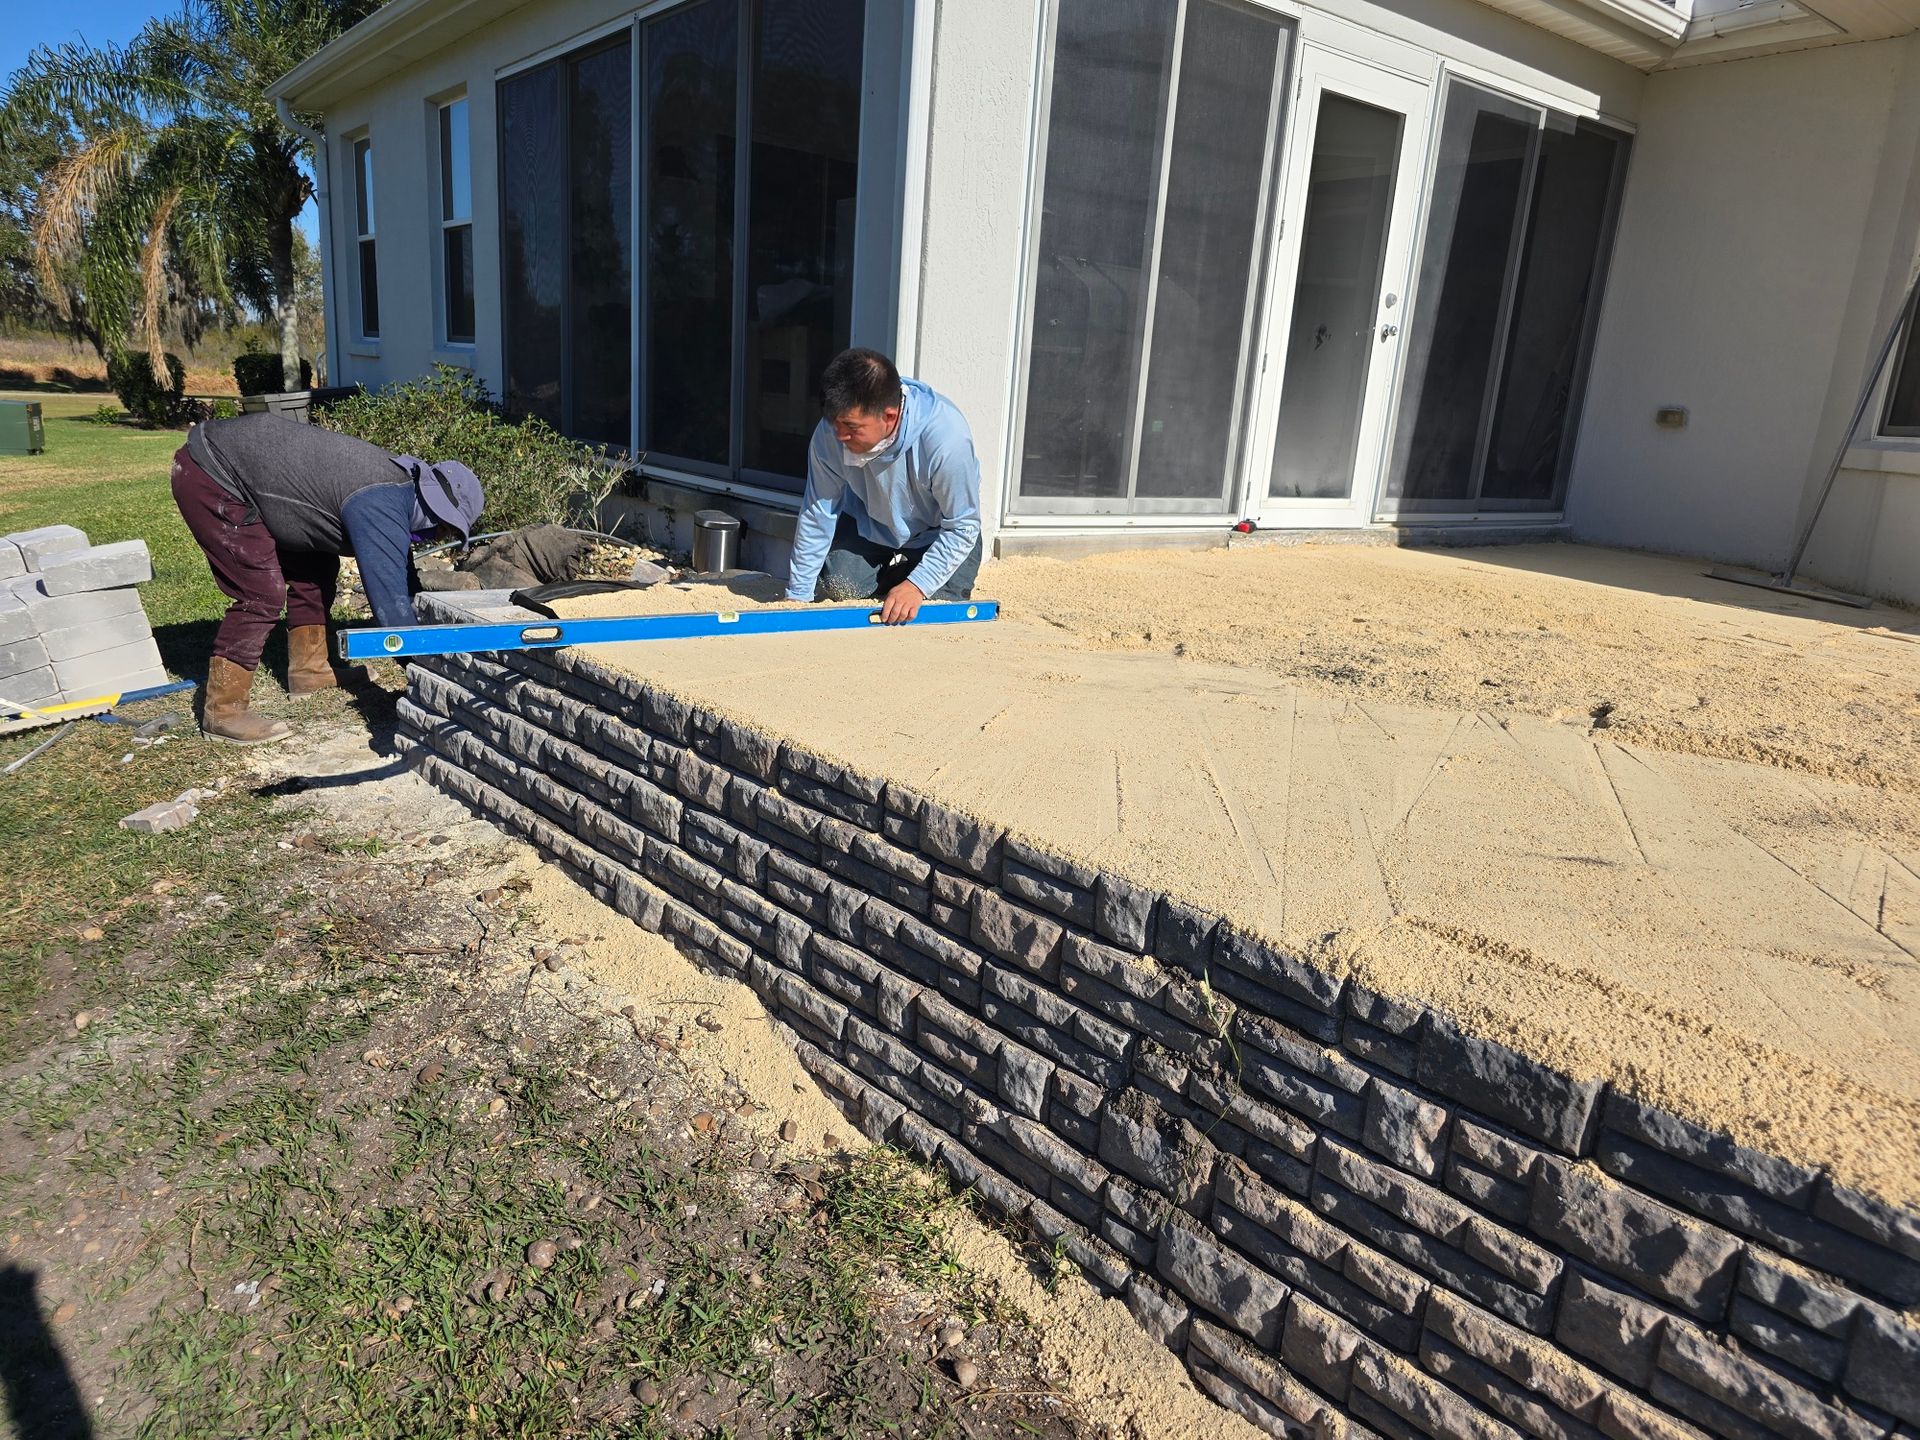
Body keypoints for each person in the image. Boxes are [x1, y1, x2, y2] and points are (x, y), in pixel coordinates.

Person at [171, 412, 484, 745]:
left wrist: (427, 627)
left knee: (316, 568)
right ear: (436, 511)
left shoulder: (401, 494)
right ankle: (223, 712)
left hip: (254, 475)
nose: (441, 537)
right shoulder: (381, 501)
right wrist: (426, 674)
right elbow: (391, 609)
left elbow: (403, 580)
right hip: (214, 472)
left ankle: (310, 671)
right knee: (260, 592)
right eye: (447, 529)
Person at [785, 349, 982, 624]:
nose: (840, 435)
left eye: (852, 427)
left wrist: (917, 586)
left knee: (939, 606)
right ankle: (898, 578)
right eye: (835, 423)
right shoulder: (832, 433)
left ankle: (909, 576)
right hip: (870, 524)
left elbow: (963, 526)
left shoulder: (947, 440)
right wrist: (798, 595)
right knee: (839, 586)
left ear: (889, 417)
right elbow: (818, 513)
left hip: (938, 533)